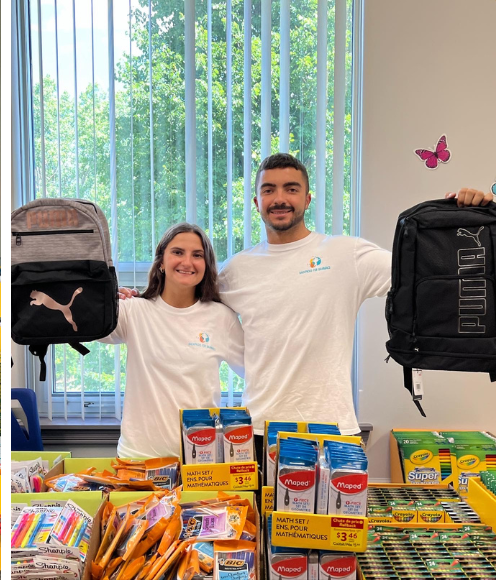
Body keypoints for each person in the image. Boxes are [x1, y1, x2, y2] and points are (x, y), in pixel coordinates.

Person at [121, 153, 493, 454]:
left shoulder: (348, 254)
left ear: (307, 198)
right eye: (269, 189)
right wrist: (140, 302)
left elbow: (427, 273)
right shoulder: (235, 271)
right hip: (261, 434)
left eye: (290, 188)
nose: (279, 198)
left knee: (337, 545)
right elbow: (185, 303)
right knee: (266, 545)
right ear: (256, 201)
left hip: (333, 430)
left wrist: (469, 218)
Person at [99, 223, 244, 458]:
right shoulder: (133, 311)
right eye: (178, 252)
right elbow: (84, 327)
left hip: (200, 464)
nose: (187, 262)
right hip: (138, 460)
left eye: (197, 255)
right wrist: (106, 301)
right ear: (161, 263)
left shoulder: (221, 318)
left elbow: (257, 371)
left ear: (206, 266)